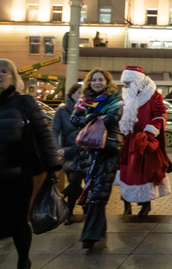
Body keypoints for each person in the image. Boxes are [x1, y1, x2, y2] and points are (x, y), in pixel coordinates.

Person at [0, 59, 61, 269]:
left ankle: (23, 261)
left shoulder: (24, 103)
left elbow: (43, 135)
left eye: (4, 72)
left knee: (17, 224)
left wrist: (53, 167)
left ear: (13, 79)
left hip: (15, 178)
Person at [71, 69, 124, 250]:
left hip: (107, 149)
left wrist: (89, 118)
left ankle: (89, 236)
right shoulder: (84, 101)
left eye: (100, 79)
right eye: (94, 80)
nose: (97, 82)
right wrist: (90, 117)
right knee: (93, 190)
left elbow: (113, 118)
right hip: (88, 149)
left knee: (98, 193)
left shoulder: (115, 100)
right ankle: (99, 228)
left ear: (107, 82)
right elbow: (74, 119)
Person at [117, 66, 171, 217]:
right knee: (125, 174)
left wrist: (149, 131)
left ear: (136, 81)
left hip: (143, 142)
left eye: (128, 83)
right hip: (127, 141)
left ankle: (146, 205)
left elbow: (161, 115)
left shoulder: (153, 96)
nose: (125, 86)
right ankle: (126, 205)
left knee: (144, 174)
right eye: (124, 83)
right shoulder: (126, 95)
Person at [52, 83, 91, 225]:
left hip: (86, 151)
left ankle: (69, 211)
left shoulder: (89, 108)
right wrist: (57, 148)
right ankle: (81, 209)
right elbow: (54, 130)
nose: (81, 95)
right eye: (79, 92)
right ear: (72, 94)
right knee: (75, 181)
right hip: (69, 151)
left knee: (77, 181)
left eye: (83, 93)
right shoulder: (62, 111)